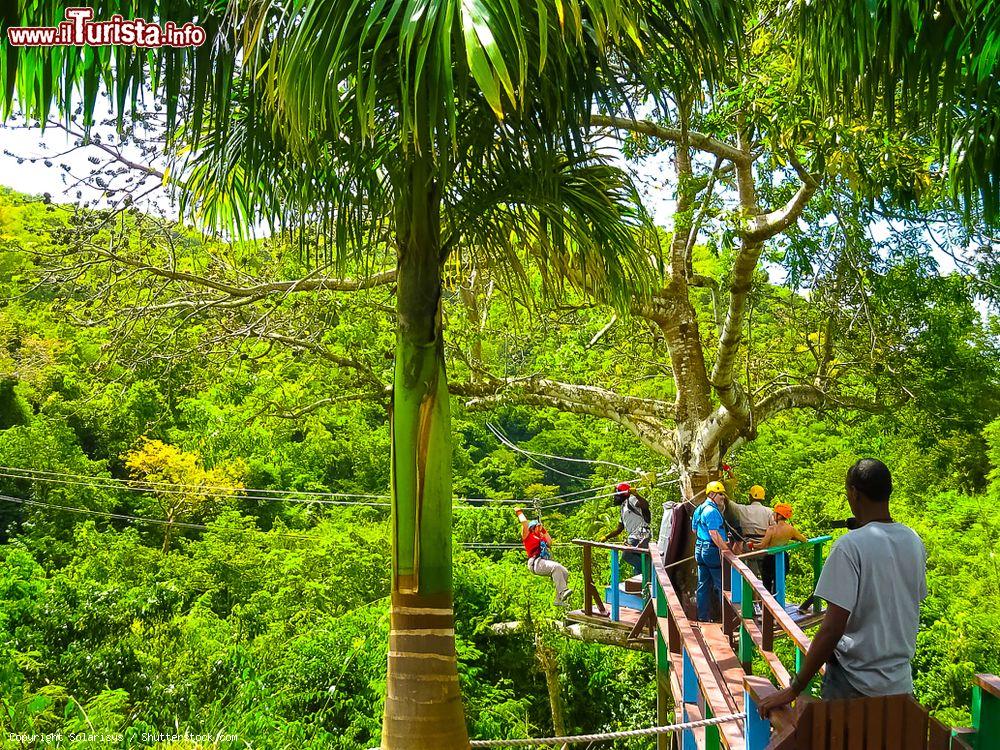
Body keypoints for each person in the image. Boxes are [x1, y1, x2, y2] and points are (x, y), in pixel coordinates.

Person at [758, 458, 927, 715]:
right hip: (899, 686)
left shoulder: (850, 546)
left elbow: (832, 628)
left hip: (853, 685)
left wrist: (795, 687)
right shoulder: (913, 540)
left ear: (854, 493)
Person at [690, 480, 731, 622]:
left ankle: (703, 617)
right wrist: (726, 549)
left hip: (700, 548)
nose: (723, 497)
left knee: (703, 584)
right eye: (720, 494)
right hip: (711, 550)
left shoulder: (699, 509)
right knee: (722, 584)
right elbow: (714, 533)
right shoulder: (712, 511)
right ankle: (727, 619)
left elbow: (694, 529)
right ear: (712, 494)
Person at [515, 507, 572, 606]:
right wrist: (519, 512)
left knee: (564, 572)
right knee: (556, 567)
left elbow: (550, 542)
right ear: (533, 528)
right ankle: (563, 591)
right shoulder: (528, 537)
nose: (540, 529)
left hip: (542, 561)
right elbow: (524, 523)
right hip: (535, 562)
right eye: (538, 527)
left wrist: (544, 531)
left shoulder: (541, 538)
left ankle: (558, 600)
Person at [602, 482, 651, 577]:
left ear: (622, 495)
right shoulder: (622, 508)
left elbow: (645, 505)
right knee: (636, 564)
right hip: (634, 535)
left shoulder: (631, 500)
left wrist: (636, 494)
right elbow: (619, 529)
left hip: (641, 533)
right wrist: (606, 537)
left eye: (616, 495)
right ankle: (643, 580)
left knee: (627, 555)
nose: (614, 498)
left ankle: (648, 571)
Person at [757, 502, 807, 595]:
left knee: (766, 584)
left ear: (779, 516)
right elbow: (804, 540)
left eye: (775, 513)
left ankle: (767, 606)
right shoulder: (791, 529)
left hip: (770, 559)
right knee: (779, 583)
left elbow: (762, 545)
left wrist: (752, 545)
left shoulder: (771, 529)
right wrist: (793, 537)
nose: (773, 515)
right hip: (783, 557)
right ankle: (779, 604)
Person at [732, 485, 772, 582]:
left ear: (750, 497)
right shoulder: (768, 511)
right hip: (764, 547)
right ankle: (766, 592)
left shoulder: (742, 509)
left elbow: (729, 504)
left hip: (748, 547)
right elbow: (773, 528)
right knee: (766, 575)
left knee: (751, 576)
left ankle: (752, 594)